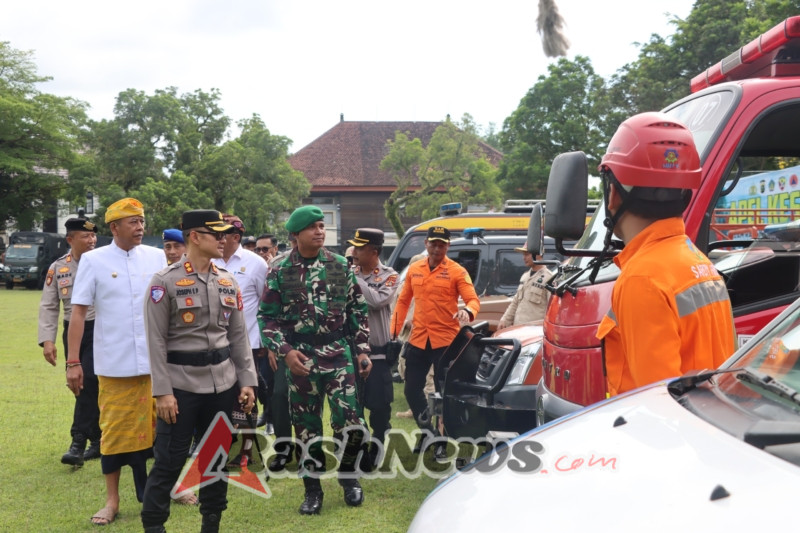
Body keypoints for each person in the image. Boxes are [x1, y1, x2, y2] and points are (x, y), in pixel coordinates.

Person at [595, 112, 736, 396]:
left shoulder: (643, 279)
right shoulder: (698, 262)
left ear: (613, 194)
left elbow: (658, 402)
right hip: (711, 417)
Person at [140, 209, 258, 533]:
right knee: (169, 460)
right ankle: (154, 526)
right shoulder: (165, 281)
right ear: (195, 236)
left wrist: (247, 381)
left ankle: (211, 524)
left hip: (223, 384)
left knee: (216, 461)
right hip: (180, 387)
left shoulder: (227, 280)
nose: (224, 240)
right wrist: (163, 392)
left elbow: (239, 336)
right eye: (216, 234)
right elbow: (155, 341)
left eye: (225, 234)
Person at [258, 205, 371, 515]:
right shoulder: (280, 270)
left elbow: (357, 309)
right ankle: (312, 490)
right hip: (301, 357)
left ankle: (349, 478)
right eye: (313, 227)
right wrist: (285, 351)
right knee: (306, 426)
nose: (320, 231)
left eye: (322, 225)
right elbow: (267, 318)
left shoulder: (340, 265)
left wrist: (362, 349)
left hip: (338, 353)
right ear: (296, 234)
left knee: (350, 420)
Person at [67, 197, 167, 526]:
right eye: (133, 221)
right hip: (115, 364)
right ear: (114, 227)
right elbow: (78, 312)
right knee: (112, 435)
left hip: (155, 364)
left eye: (142, 220)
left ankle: (168, 488)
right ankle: (112, 500)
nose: (140, 227)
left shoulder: (156, 256)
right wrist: (73, 362)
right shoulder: (93, 260)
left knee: (164, 431)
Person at [390, 226, 479, 449]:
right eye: (433, 244)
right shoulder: (415, 269)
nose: (437, 248)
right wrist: (393, 332)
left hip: (445, 342)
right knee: (411, 390)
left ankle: (442, 440)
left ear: (447, 246)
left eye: (441, 245)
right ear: (426, 244)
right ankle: (427, 432)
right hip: (418, 339)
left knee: (443, 394)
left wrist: (467, 311)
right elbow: (403, 301)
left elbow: (473, 300)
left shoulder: (457, 271)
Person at [38, 217, 101, 466]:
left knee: (89, 380)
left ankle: (78, 442)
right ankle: (97, 438)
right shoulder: (58, 268)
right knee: (81, 383)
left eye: (93, 235)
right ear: (70, 239)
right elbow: (49, 305)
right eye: (86, 236)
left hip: (101, 328)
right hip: (72, 331)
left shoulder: (103, 262)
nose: (92, 240)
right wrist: (48, 340)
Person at [212, 214, 268, 434]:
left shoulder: (256, 263)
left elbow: (265, 303)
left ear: (235, 237)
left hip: (247, 344)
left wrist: (263, 341)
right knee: (218, 396)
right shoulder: (209, 260)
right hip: (214, 343)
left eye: (222, 234)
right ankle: (219, 439)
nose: (217, 238)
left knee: (246, 395)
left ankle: (246, 443)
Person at [348, 228, 398, 470]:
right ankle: (361, 450)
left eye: (359, 248)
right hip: (351, 352)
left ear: (374, 252)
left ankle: (378, 442)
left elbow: (377, 301)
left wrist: (353, 278)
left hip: (377, 354)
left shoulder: (389, 276)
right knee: (353, 407)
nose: (354, 252)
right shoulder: (349, 273)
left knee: (379, 408)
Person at [497, 241, 555, 329]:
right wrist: (505, 319)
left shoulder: (549, 278)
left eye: (527, 254)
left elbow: (553, 309)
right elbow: (516, 301)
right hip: (519, 329)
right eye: (523, 254)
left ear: (539, 254)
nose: (524, 258)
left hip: (535, 331)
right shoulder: (525, 276)